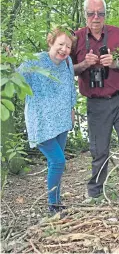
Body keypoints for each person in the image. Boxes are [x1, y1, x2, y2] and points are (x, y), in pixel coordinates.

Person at [71, 0, 119, 203]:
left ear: (105, 14)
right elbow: (67, 70)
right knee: (99, 150)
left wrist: (114, 63)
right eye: (91, 13)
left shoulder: (118, 34)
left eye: (100, 13)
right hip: (96, 103)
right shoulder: (76, 38)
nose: (96, 17)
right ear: (86, 15)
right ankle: (95, 194)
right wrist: (84, 65)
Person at [18, 27, 77, 214]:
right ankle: (53, 204)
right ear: (50, 42)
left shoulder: (67, 61)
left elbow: (70, 87)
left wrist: (72, 109)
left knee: (55, 164)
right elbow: (15, 80)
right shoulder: (34, 61)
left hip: (61, 119)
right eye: (60, 44)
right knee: (58, 161)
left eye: (68, 46)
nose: (64, 49)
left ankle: (57, 202)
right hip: (41, 122)